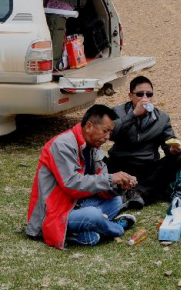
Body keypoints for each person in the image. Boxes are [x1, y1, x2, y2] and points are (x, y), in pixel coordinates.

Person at [26, 104, 138, 249]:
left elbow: (100, 184)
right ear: (89, 126)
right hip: (55, 212)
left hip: (77, 204)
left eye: (110, 132)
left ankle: (89, 231)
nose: (107, 137)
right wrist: (110, 178)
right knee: (93, 215)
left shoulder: (94, 146)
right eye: (105, 131)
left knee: (116, 200)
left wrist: (119, 186)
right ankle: (115, 228)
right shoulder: (62, 145)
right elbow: (72, 184)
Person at [106, 76, 181, 209]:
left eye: (149, 94)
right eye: (140, 94)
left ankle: (137, 193)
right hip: (120, 164)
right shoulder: (117, 112)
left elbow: (168, 145)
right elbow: (111, 134)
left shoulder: (162, 118)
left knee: (175, 162)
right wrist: (133, 114)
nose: (145, 98)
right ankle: (135, 192)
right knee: (98, 163)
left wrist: (174, 151)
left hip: (146, 166)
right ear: (130, 96)